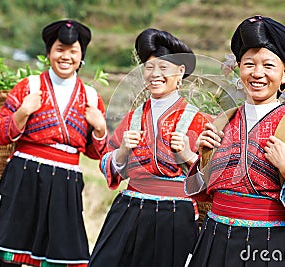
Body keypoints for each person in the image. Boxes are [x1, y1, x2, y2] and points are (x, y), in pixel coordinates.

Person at [184, 15, 285, 267]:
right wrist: (203, 159)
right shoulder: (222, 123)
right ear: (239, 69)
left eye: (268, 65)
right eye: (249, 64)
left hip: (270, 248)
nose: (257, 73)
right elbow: (199, 194)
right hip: (214, 241)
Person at [0, 19, 108, 267]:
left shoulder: (92, 97)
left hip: (65, 181)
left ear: (81, 56)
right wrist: (22, 112)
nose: (66, 57)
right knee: (10, 256)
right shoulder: (28, 87)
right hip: (24, 176)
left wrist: (101, 128)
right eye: (60, 49)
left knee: (60, 257)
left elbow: (96, 153)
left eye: (73, 51)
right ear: (49, 52)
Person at [88, 28, 211, 267]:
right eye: (149, 67)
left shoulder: (199, 121)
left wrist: (187, 156)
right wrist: (122, 152)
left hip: (176, 217)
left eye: (163, 68)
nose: (155, 74)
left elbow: (214, 180)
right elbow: (107, 164)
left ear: (180, 72)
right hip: (130, 209)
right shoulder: (132, 118)